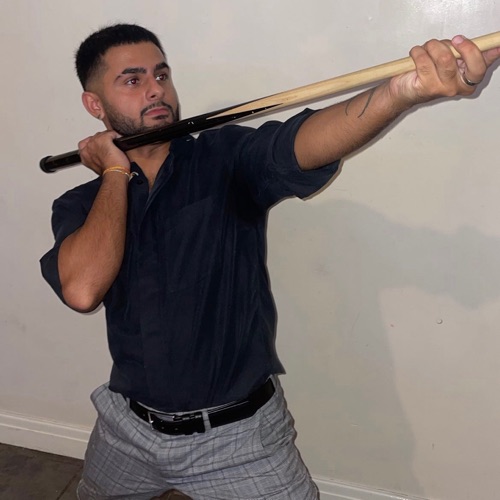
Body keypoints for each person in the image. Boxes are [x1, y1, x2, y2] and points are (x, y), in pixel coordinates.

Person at [40, 23, 499, 500]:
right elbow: (82, 289)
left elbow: (305, 141)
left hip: (239, 438)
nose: (156, 89)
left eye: (161, 74)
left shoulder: (225, 158)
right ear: (94, 104)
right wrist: (115, 171)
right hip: (127, 430)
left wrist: (401, 92)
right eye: (133, 80)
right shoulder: (82, 204)